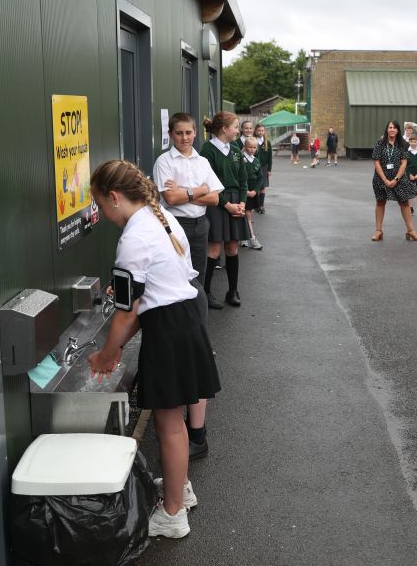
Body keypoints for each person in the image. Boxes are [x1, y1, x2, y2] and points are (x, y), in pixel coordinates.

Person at [87, 159, 221, 539]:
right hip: (185, 320)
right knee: (174, 421)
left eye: (99, 204)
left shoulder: (133, 237)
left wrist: (107, 355)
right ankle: (182, 490)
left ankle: (173, 514)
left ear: (114, 198)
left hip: (169, 331)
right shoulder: (159, 216)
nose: (101, 212)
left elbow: (127, 316)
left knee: (169, 426)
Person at [153, 112, 223, 457]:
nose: (185, 138)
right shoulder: (164, 162)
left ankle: (199, 337)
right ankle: (189, 334)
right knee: (183, 285)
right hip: (176, 226)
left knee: (197, 285)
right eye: (179, 133)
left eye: (189, 132)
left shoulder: (201, 159)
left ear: (196, 133)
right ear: (171, 134)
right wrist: (198, 191)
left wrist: (189, 192)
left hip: (200, 227)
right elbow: (171, 201)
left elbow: (216, 199)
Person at [200, 112, 249, 307]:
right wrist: (227, 205)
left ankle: (233, 291)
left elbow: (244, 180)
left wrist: (242, 203)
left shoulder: (236, 149)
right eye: (236, 127)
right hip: (217, 203)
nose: (238, 131)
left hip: (236, 202)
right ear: (224, 129)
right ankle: (206, 293)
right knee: (213, 249)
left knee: (232, 247)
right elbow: (208, 185)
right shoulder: (207, 151)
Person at [370, 120, 417, 242]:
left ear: (398, 130)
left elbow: (404, 163)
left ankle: (411, 230)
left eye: (394, 128)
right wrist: (385, 180)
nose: (392, 129)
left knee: (404, 203)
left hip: (399, 178)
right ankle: (378, 231)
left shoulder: (403, 144)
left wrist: (396, 179)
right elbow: (376, 162)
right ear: (387, 129)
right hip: (380, 178)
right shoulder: (380, 144)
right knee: (380, 202)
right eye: (390, 127)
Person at [242, 137, 264, 249]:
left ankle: (245, 237)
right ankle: (251, 238)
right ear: (245, 147)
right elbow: (239, 177)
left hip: (252, 194)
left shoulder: (256, 161)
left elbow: (260, 178)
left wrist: (255, 191)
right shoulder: (241, 159)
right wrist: (245, 191)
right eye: (250, 147)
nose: (252, 149)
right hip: (242, 193)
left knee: (248, 215)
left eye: (254, 147)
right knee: (244, 215)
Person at [253, 123, 272, 214]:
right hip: (254, 168)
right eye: (259, 130)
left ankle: (261, 206)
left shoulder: (267, 143)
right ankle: (256, 205)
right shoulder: (252, 141)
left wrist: (269, 170)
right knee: (255, 187)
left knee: (263, 187)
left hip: (264, 168)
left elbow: (270, 157)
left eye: (262, 130)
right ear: (256, 131)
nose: (261, 132)